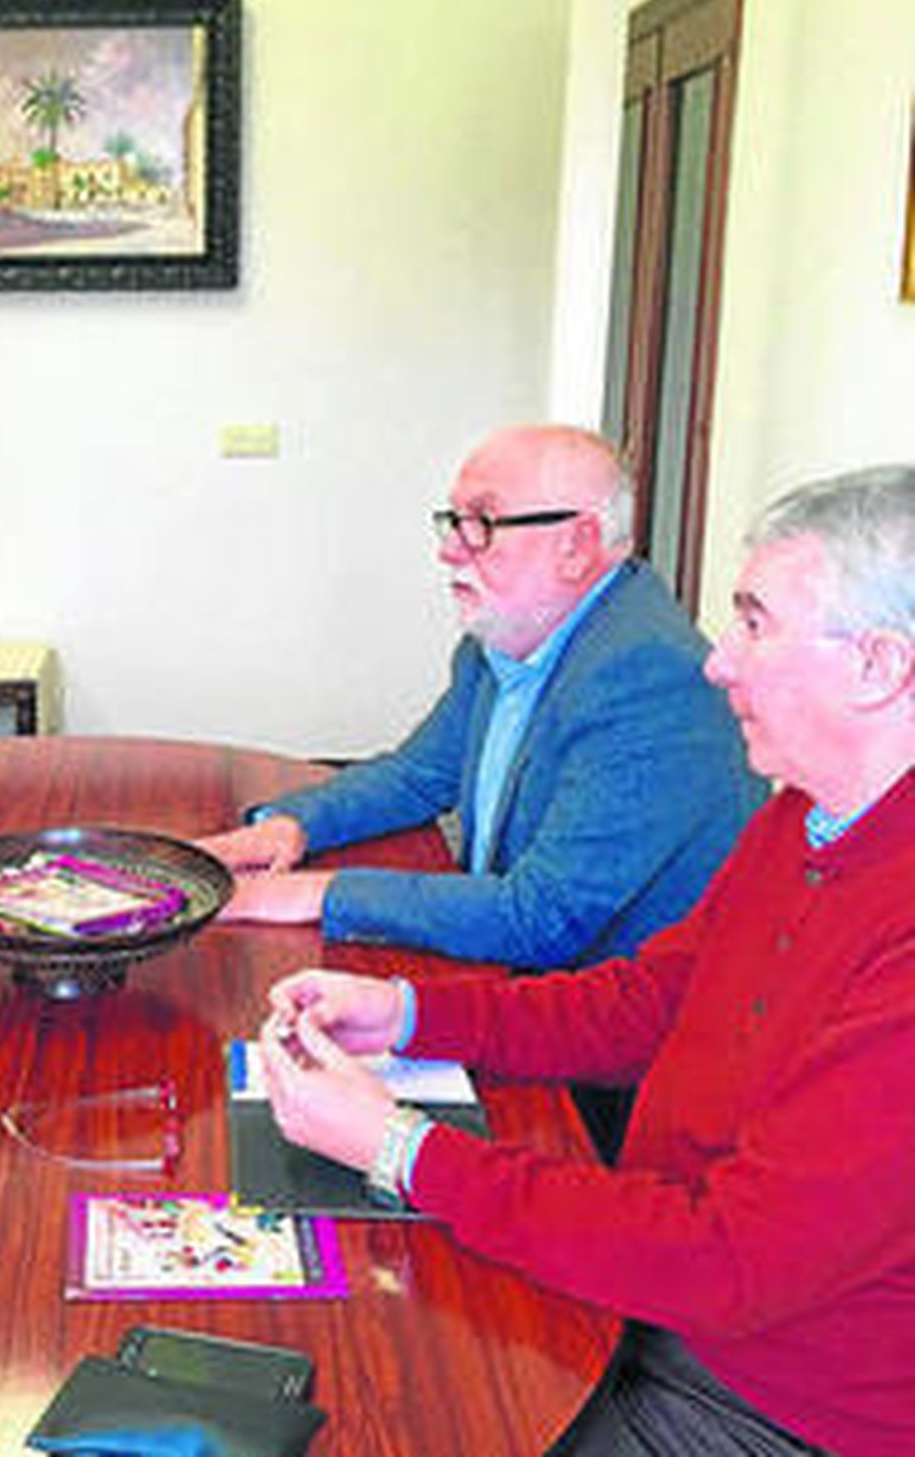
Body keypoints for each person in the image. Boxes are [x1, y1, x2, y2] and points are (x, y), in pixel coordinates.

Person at [257, 463, 915, 1456]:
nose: (717, 664)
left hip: (768, 1398)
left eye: (753, 623)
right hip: (656, 1288)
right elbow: (646, 1004)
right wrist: (402, 1013)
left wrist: (399, 1147)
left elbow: (730, 1260)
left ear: (876, 664)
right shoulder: (800, 816)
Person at [200, 424, 763, 972]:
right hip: (522, 976)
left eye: (481, 524)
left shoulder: (648, 678)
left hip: (615, 1032)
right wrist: (295, 825)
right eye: (453, 522)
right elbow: (419, 773)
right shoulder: (510, 633)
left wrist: (322, 895)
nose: (449, 551)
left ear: (577, 544)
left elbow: (540, 918)